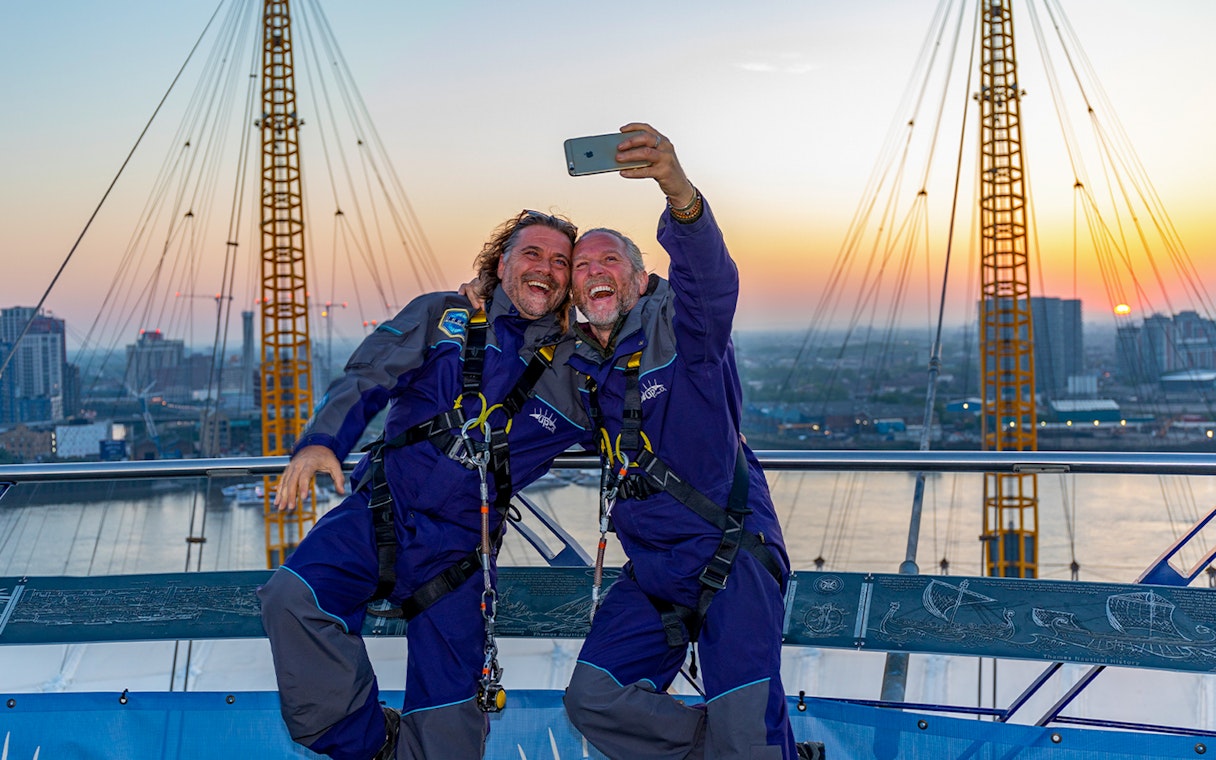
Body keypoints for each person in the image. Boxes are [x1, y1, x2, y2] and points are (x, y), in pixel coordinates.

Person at [258, 209, 590, 760]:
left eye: (561, 262)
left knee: (449, 729)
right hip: (379, 512)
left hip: (459, 549)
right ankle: (371, 743)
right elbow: (370, 374)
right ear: (501, 262)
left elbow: (649, 401)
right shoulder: (444, 314)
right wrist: (322, 441)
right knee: (292, 599)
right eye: (532, 253)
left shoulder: (578, 371)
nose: (546, 269)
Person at [560, 124, 804, 759]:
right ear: (577, 296)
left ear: (640, 281)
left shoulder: (686, 336)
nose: (595, 271)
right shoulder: (579, 370)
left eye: (610, 259)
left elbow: (710, 279)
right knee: (593, 698)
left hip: (732, 555)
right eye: (582, 266)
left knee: (747, 728)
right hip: (656, 570)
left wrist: (677, 188)